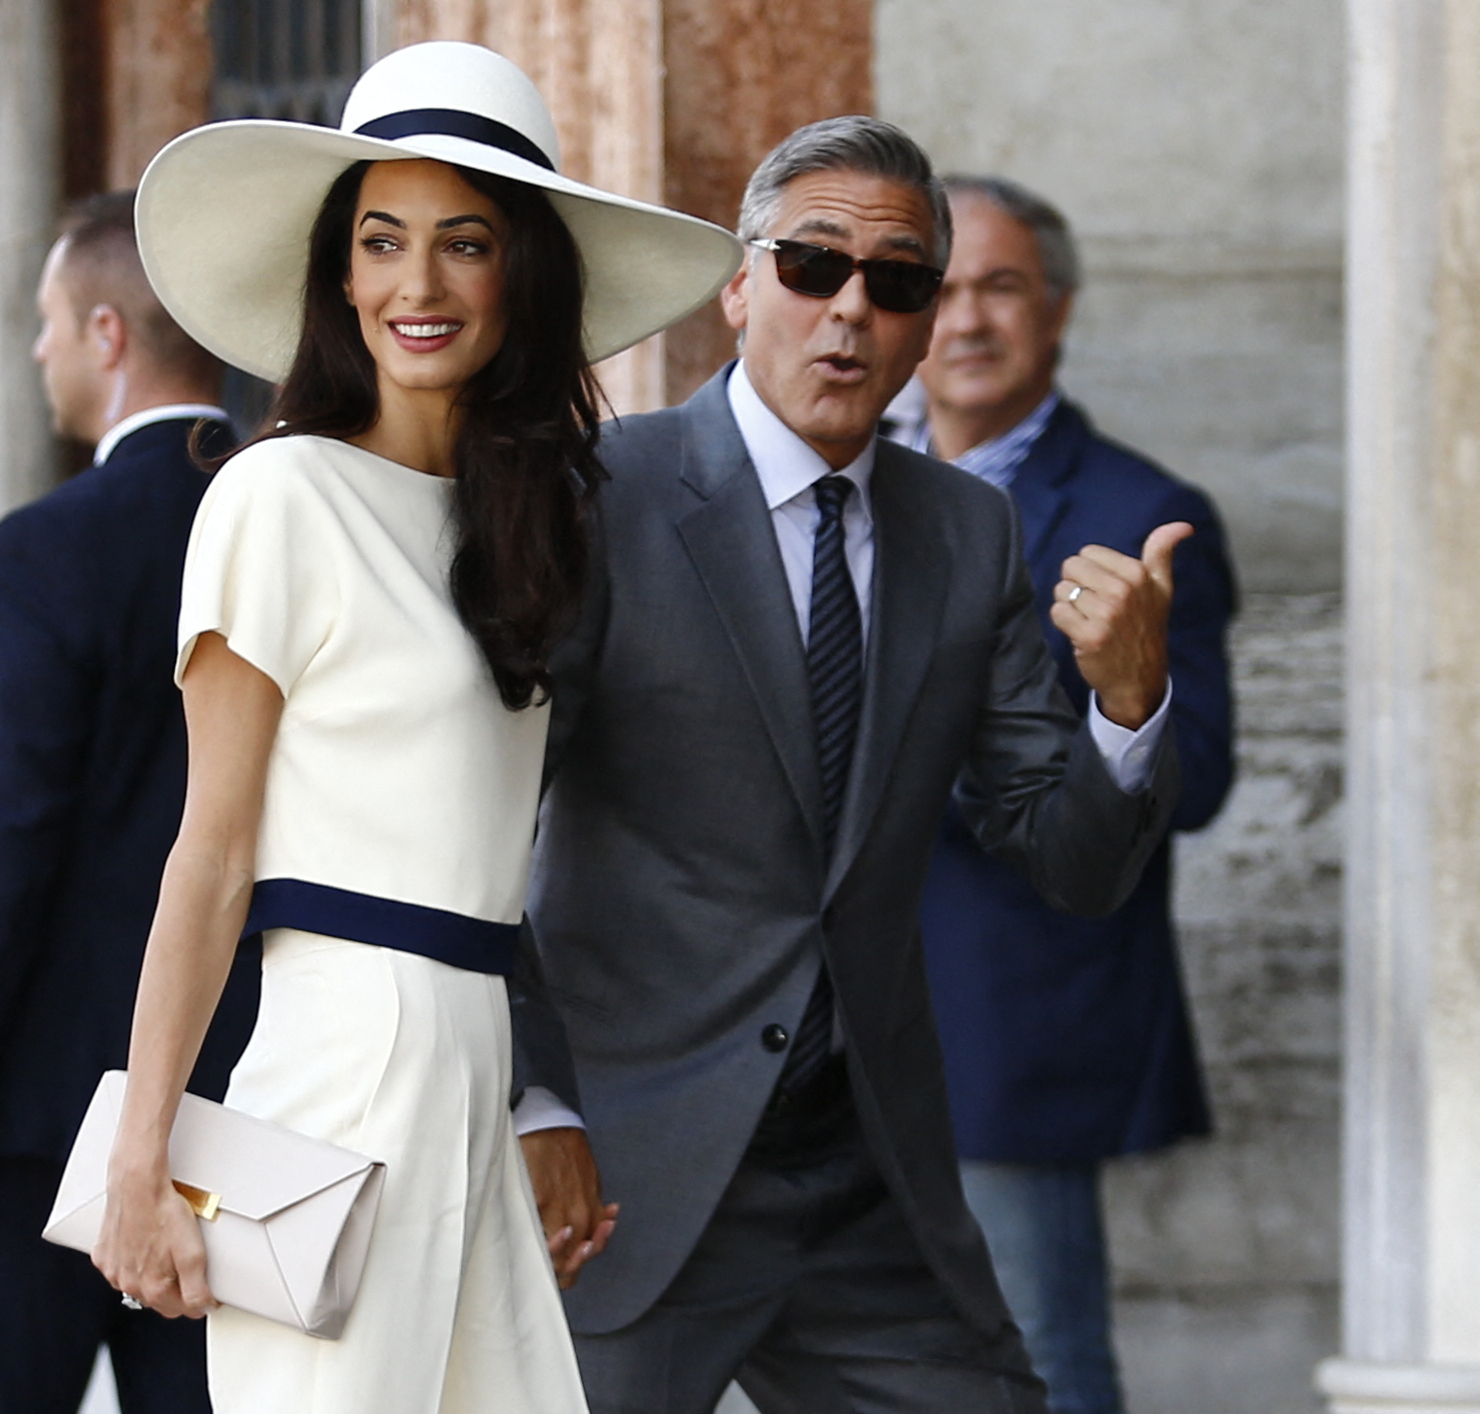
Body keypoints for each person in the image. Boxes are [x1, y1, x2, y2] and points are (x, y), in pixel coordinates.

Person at [88, 41, 739, 1414]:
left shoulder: (531, 522)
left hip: (473, 1071)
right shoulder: (278, 499)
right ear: (338, 271)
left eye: (464, 243)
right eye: (381, 241)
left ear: (525, 273)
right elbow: (207, 855)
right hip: (336, 1066)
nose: (418, 285)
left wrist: (536, 1100)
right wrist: (144, 1162)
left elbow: (512, 866)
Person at [514, 116, 1191, 1414]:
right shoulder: (597, 492)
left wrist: (1129, 699)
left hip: (864, 1177)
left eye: (895, 282)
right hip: (628, 1169)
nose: (849, 312)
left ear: (926, 316)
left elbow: (1071, 854)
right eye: (813, 266)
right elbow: (473, 831)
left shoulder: (966, 528)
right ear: (738, 287)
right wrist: (534, 1098)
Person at [890, 176, 1236, 1414]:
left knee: (1034, 1358)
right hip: (800, 1014)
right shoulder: (842, 476)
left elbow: (1192, 778)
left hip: (1007, 1019)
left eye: (1003, 286)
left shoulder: (1144, 516)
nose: (968, 320)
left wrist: (1107, 689)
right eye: (943, 287)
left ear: (1060, 309)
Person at [0, 190, 258, 1414]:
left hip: (39, 1115)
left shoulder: (44, 549)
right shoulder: (286, 522)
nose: (39, 350)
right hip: (246, 1113)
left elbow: (12, 837)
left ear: (107, 334)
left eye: (45, 323)